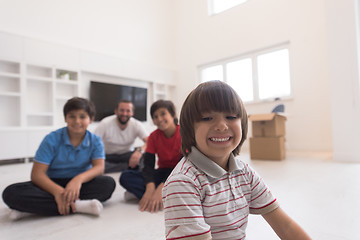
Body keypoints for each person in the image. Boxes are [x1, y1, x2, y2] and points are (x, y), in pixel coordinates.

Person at [162, 81, 311, 240]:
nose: (221, 126)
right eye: (207, 118)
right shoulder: (183, 182)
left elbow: (285, 226)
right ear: (190, 128)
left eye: (231, 116)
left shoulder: (245, 173)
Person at [2, 97, 116, 220]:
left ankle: (30, 209)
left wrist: (77, 180)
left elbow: (99, 167)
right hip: (52, 183)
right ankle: (78, 206)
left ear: (91, 119)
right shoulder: (51, 139)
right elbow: (37, 174)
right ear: (65, 118)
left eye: (82, 117)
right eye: (72, 116)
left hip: (79, 185)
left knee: (108, 184)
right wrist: (58, 192)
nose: (77, 121)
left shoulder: (95, 140)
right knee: (10, 193)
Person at [120, 100, 182, 213]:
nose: (159, 119)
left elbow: (182, 166)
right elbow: (148, 165)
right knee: (125, 176)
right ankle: (163, 197)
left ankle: (155, 195)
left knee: (186, 185)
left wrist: (161, 187)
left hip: (179, 173)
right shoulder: (153, 137)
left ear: (173, 114)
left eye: (163, 114)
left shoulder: (184, 133)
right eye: (155, 116)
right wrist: (150, 187)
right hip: (162, 172)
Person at [94, 100, 148, 173]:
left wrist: (139, 151)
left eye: (128, 111)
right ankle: (126, 167)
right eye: (122, 110)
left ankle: (121, 167)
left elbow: (150, 142)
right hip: (107, 156)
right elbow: (93, 143)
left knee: (145, 157)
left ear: (132, 113)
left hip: (127, 155)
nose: (124, 113)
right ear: (116, 111)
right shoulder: (105, 123)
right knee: (94, 163)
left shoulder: (137, 124)